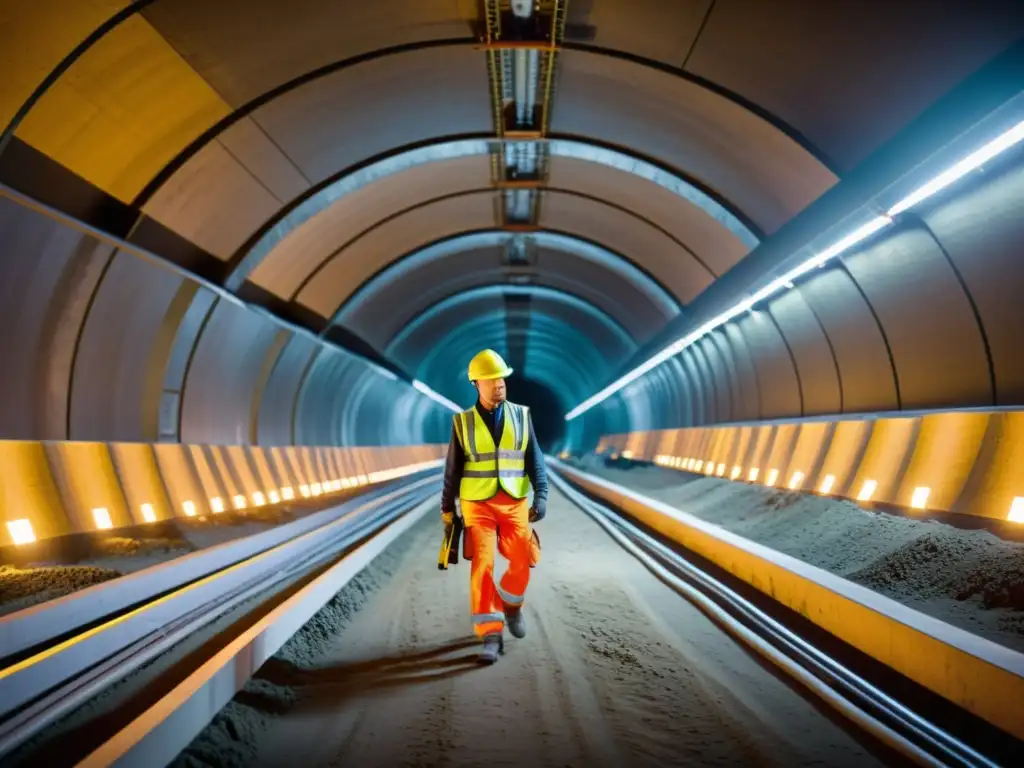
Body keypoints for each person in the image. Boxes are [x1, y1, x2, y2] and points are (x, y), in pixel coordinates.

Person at [441, 349, 548, 664]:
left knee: (520, 560)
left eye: (501, 378)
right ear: (476, 383)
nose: (498, 385)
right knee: (482, 565)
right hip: (478, 505)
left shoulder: (521, 415)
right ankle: (490, 634)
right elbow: (452, 470)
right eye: (491, 380)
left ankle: (511, 606)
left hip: (515, 502)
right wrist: (448, 510)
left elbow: (535, 459)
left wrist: (541, 495)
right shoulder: (462, 423)